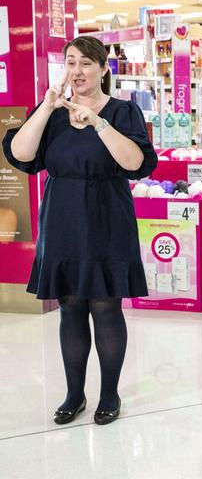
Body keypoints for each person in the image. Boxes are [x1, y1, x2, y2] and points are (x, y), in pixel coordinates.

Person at [2, 36, 157, 424]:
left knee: (105, 304)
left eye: (86, 63)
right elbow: (21, 154)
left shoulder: (123, 111)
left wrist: (99, 124)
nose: (77, 71)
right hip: (63, 216)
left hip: (107, 214)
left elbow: (136, 161)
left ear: (104, 69)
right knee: (70, 306)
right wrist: (46, 106)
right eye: (71, 63)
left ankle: (109, 394)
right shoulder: (51, 112)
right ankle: (74, 394)